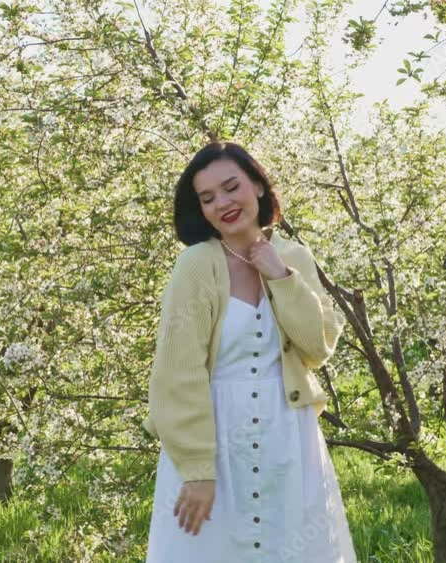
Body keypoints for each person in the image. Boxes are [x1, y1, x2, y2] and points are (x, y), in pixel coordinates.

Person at [142, 141, 358, 562]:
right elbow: (176, 373)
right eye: (208, 198)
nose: (222, 203)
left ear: (257, 185)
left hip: (288, 435)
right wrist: (197, 471)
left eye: (231, 187)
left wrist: (280, 276)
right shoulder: (196, 265)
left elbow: (317, 347)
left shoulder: (295, 257)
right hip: (213, 438)